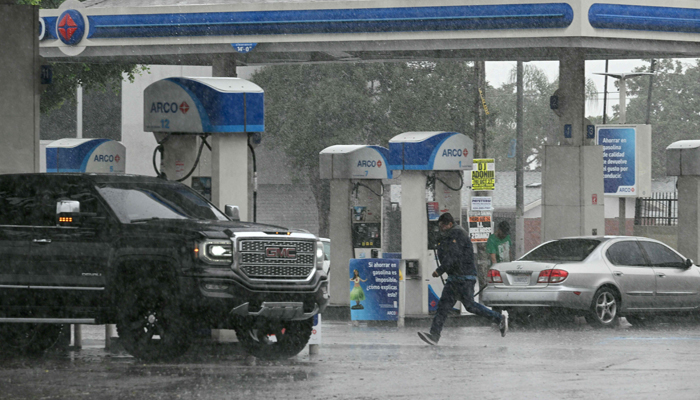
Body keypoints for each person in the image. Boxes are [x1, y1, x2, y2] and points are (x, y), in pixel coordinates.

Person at [418, 213, 507, 346]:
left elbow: (453, 256)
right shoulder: (450, 235)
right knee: (444, 307)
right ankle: (434, 336)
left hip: (463, 278)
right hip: (455, 278)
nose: (440, 228)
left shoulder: (457, 234)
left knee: (468, 306)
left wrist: (440, 270)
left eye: (442, 225)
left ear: (449, 224)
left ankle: (499, 318)